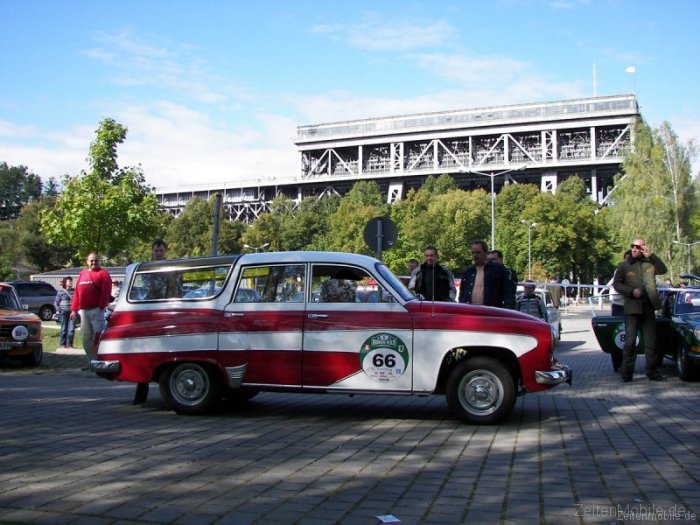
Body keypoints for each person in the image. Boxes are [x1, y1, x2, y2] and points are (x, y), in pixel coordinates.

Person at [613, 239, 668, 382]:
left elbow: (663, 270)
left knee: (651, 342)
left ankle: (652, 372)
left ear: (643, 248)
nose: (634, 249)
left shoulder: (650, 263)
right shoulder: (625, 265)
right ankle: (626, 374)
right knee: (630, 342)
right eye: (632, 246)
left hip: (648, 307)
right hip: (632, 307)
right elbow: (617, 284)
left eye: (638, 247)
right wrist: (630, 291)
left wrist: (652, 255)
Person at [71, 253, 112, 369]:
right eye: (91, 261)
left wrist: (100, 306)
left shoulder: (103, 274)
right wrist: (74, 309)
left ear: (100, 261)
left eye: (96, 260)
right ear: (87, 261)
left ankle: (101, 361)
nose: (94, 263)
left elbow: (106, 292)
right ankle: (91, 362)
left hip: (96, 310)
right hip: (84, 311)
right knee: (86, 338)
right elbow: (77, 294)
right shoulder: (82, 274)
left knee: (98, 336)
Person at [459, 240, 515, 309]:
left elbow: (507, 293)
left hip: (491, 313)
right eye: (473, 253)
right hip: (470, 312)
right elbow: (462, 294)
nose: (475, 255)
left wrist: (508, 310)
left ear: (486, 253)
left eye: (478, 252)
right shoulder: (468, 272)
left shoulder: (498, 270)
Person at [53, 277, 75, 349]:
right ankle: (62, 344)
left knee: (71, 329)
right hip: (63, 312)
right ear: (65, 282)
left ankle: (70, 345)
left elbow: (77, 301)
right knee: (64, 329)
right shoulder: (61, 292)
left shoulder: (74, 291)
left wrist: (75, 310)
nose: (70, 282)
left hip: (72, 312)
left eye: (71, 281)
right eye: (69, 281)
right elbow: (56, 303)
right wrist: (60, 310)